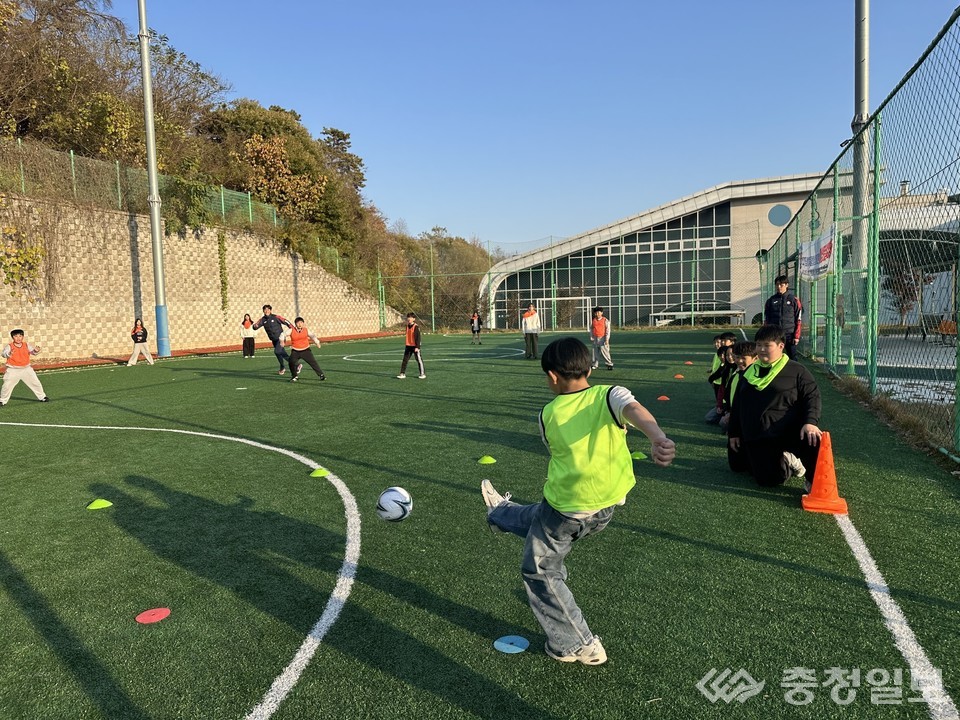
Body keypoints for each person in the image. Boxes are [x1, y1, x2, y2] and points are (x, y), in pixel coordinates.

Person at [481, 337, 675, 665]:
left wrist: (655, 436)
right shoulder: (609, 394)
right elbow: (634, 410)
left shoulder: (548, 413)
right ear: (588, 367)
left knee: (539, 570)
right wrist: (657, 437)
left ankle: (576, 643)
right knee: (541, 519)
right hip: (606, 506)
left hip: (567, 508)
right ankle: (500, 513)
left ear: (553, 376)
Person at [727, 325, 821, 490]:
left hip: (789, 432)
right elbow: (738, 404)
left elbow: (812, 396)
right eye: (759, 345)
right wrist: (734, 432)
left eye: (767, 345)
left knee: (813, 438)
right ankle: (786, 461)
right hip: (759, 435)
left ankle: (811, 479)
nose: (762, 349)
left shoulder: (797, 370)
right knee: (762, 478)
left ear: (780, 346)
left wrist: (810, 422)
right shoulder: (749, 373)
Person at [1, 329, 49, 406]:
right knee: (7, 386)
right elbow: (3, 354)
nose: (18, 338)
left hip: (26, 369)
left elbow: (32, 352)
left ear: (23, 336)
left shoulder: (26, 345)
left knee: (36, 383)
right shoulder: (9, 346)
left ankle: (42, 397)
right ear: (12, 337)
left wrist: (36, 351)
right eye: (16, 336)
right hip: (13, 370)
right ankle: (2, 401)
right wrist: (9, 353)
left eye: (20, 336)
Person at [764, 275, 803, 360]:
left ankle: (793, 373)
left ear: (786, 285)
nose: (779, 287)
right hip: (775, 334)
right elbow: (766, 318)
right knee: (773, 356)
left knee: (792, 358)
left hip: (789, 334)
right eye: (777, 285)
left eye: (781, 285)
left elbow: (798, 319)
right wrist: (767, 333)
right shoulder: (771, 300)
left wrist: (796, 336)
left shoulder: (794, 300)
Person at [252, 304, 293, 375]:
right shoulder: (262, 320)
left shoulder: (276, 317)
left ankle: (283, 367)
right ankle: (295, 365)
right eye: (265, 310)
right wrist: (254, 326)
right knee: (282, 354)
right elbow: (256, 326)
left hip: (280, 338)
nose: (266, 311)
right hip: (273, 340)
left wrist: (292, 328)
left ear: (270, 310)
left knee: (277, 351)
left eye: (268, 309)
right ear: (263, 311)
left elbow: (285, 321)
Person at [288, 317, 326, 383]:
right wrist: (282, 340)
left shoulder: (306, 330)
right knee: (291, 362)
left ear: (303, 323)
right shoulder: (291, 330)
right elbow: (283, 335)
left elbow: (312, 336)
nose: (300, 324)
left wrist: (317, 342)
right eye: (298, 323)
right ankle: (294, 376)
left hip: (305, 350)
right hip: (295, 351)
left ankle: (321, 375)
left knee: (313, 363)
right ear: (295, 324)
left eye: (301, 323)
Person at [397, 312, 425, 379]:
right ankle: (402, 373)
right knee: (405, 360)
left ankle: (422, 374)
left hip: (414, 346)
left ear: (414, 319)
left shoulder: (416, 327)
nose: (409, 319)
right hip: (408, 346)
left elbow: (418, 337)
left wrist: (417, 347)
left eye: (410, 317)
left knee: (418, 360)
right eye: (408, 317)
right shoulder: (407, 326)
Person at [589, 306, 613, 370]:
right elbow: (591, 329)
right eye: (596, 313)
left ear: (602, 313)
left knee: (604, 351)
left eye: (599, 312)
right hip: (595, 338)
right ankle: (594, 364)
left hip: (602, 338)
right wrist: (591, 336)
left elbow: (608, 330)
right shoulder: (593, 320)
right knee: (595, 352)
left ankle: (609, 363)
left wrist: (607, 339)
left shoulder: (605, 320)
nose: (597, 314)